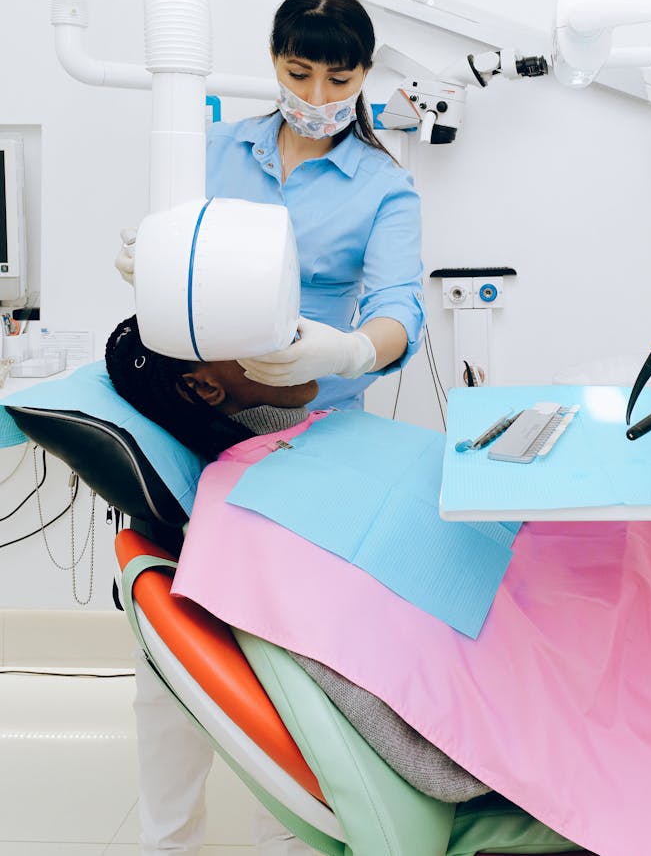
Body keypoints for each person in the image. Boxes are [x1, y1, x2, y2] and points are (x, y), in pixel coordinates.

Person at [105, 316, 490, 856]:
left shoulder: (319, 439)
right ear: (205, 385)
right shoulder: (244, 519)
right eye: (264, 330)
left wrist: (355, 350)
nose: (294, 334)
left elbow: (397, 309)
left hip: (305, 454)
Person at [118, 0, 425, 412]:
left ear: (364, 75)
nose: (316, 98)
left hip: (319, 410)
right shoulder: (215, 149)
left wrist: (349, 352)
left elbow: (397, 307)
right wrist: (152, 263)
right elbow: (176, 254)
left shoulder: (385, 187)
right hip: (207, 401)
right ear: (274, 59)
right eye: (299, 75)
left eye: (338, 80)